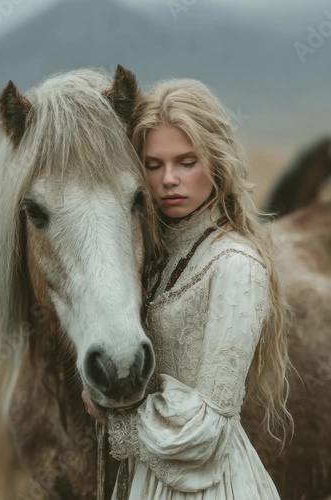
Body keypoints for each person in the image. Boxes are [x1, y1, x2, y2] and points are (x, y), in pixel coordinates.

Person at [83, 78, 293, 499]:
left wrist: (117, 420)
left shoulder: (236, 265)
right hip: (150, 478)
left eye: (186, 162)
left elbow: (207, 431)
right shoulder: (157, 256)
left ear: (216, 162)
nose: (169, 180)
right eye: (153, 165)